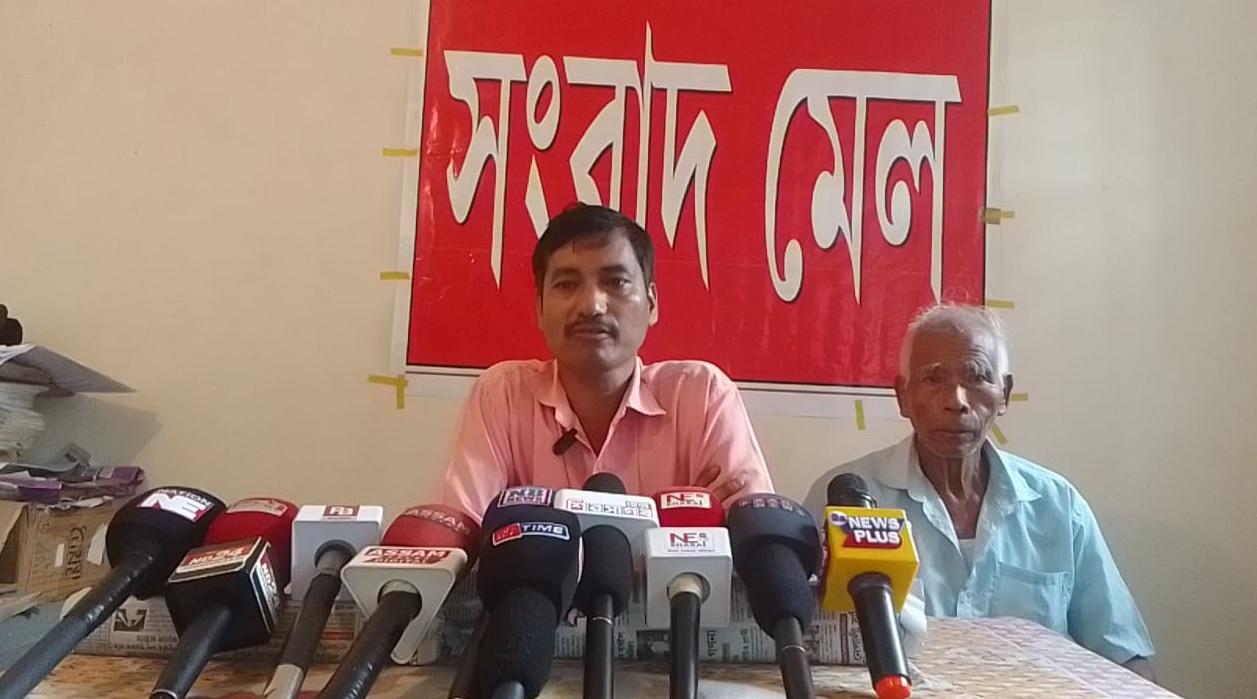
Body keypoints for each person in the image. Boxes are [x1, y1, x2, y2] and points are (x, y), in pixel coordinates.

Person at [804, 304, 1156, 680]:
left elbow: (1124, 657)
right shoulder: (843, 501)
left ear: (1004, 393)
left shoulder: (1057, 506)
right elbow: (795, 650)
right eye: (933, 378)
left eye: (976, 377)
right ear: (903, 396)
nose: (956, 400)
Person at [442, 204, 773, 520]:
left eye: (616, 282)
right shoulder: (502, 397)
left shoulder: (702, 397)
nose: (591, 306)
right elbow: (463, 535)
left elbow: (754, 538)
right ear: (540, 308)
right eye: (567, 284)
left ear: (651, 303)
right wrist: (682, 519)